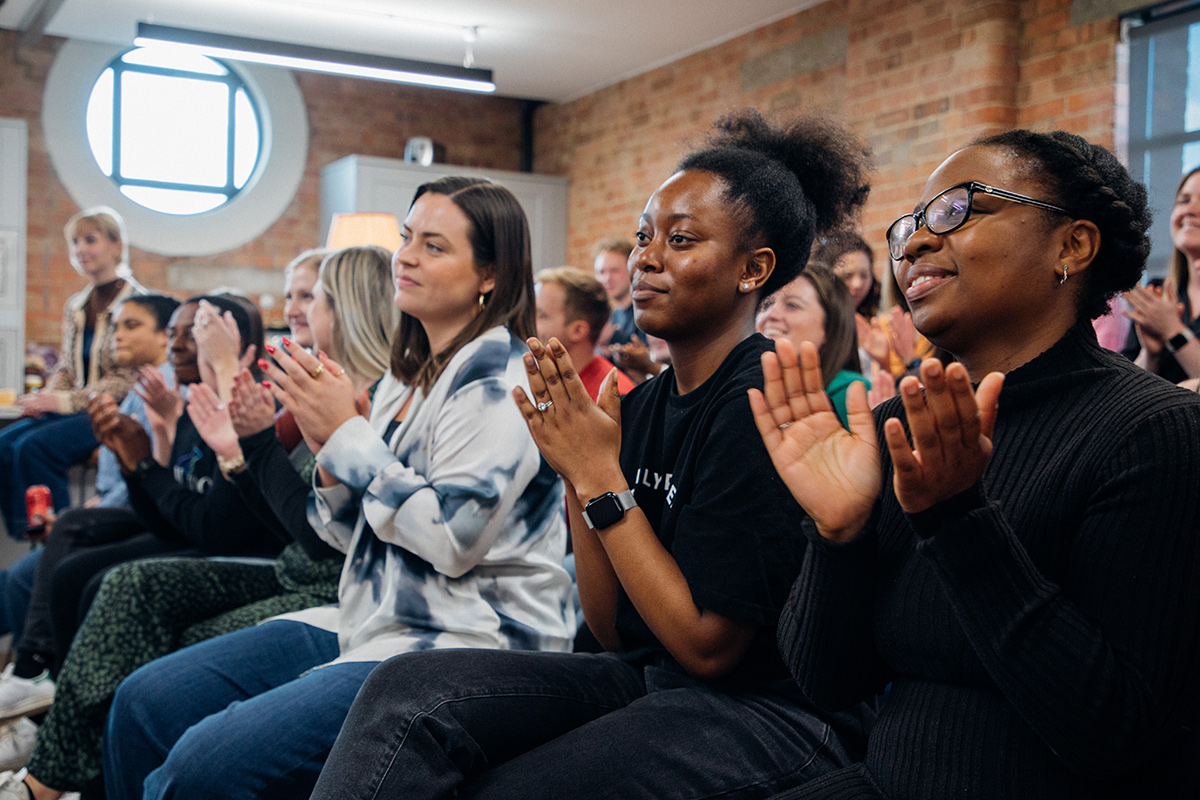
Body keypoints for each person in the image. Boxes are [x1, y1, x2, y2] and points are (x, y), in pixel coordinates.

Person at [310, 109, 875, 800]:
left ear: (753, 270)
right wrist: (579, 475)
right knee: (405, 691)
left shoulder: (759, 401)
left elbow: (707, 648)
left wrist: (599, 477)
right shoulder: (636, 406)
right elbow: (609, 630)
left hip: (764, 708)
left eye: (681, 239)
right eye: (644, 237)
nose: (647, 257)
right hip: (646, 674)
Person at [752, 130, 1200, 798]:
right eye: (911, 224)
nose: (915, 242)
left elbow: (1113, 730)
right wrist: (837, 535)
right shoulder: (895, 428)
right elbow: (828, 682)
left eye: (957, 210)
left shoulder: (1156, 430)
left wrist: (958, 520)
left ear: (1071, 246)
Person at [102, 177, 574, 800]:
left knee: (199, 768)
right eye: (407, 239)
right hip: (374, 619)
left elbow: (452, 540)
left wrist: (347, 434)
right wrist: (329, 454)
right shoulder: (410, 379)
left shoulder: (500, 377)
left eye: (433, 246)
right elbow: (340, 534)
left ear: (489, 274)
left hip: (467, 641)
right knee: (146, 702)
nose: (403, 256)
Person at [0, 248, 397, 800]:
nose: (177, 343)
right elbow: (236, 514)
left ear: (350, 307)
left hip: (316, 580)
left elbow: (241, 525)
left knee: (114, 586)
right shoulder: (274, 393)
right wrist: (159, 446)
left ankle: (54, 770)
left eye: (311, 296)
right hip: (294, 563)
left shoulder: (342, 396)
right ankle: (64, 760)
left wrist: (226, 448)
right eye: (178, 332)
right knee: (80, 571)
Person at [0, 207, 146, 539]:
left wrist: (63, 400)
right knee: (4, 444)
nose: (80, 249)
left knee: (34, 448)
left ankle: (62, 537)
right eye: (74, 242)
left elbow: (127, 380)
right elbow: (66, 366)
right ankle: (28, 536)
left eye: (90, 240)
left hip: (111, 411)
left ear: (116, 246)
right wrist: (45, 398)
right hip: (75, 407)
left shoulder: (138, 303)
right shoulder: (76, 306)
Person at [756, 264, 868, 426]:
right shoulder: (748, 388)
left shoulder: (850, 392)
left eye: (792, 305)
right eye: (766, 304)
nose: (770, 314)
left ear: (829, 327)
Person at [1121, 165, 1200, 382]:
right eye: (1184, 201)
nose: (1189, 210)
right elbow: (1125, 389)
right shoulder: (1157, 292)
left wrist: (1173, 331)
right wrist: (1150, 354)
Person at [534, 266, 635, 399]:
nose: (528, 322)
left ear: (578, 330)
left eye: (541, 315)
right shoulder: (540, 382)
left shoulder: (614, 396)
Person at [593, 238, 640, 352]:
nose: (607, 278)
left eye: (614, 270)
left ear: (632, 270)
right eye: (601, 272)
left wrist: (615, 337)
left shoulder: (645, 313)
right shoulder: (610, 316)